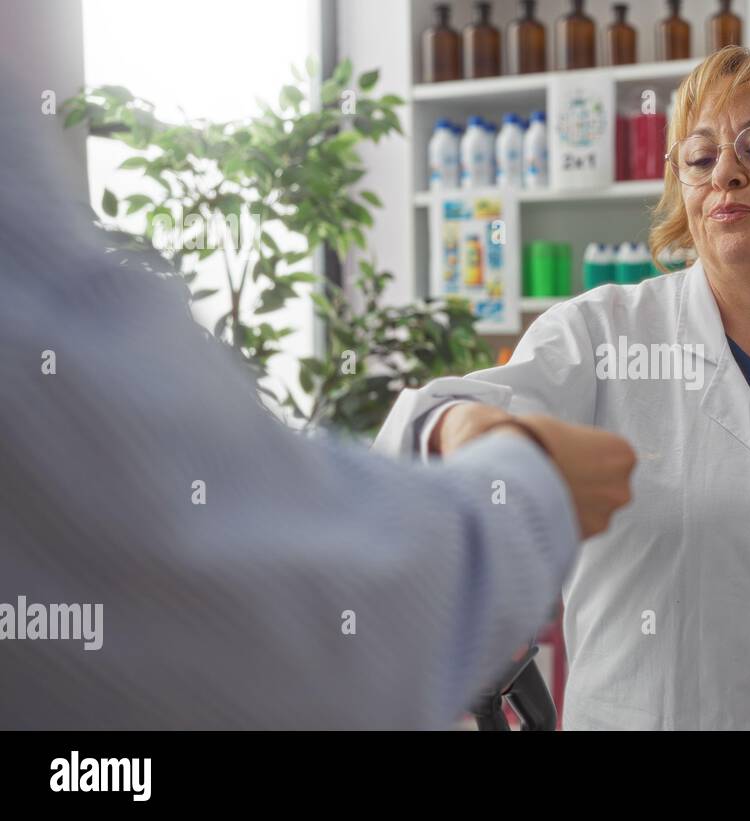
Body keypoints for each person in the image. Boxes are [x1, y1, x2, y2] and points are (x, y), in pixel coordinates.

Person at [374, 47, 750, 730]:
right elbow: (430, 422)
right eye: (698, 159)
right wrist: (483, 433)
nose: (725, 172)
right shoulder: (601, 334)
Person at [0, 72, 635, 729]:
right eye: (699, 157)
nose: (725, 175)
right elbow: (258, 595)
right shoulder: (602, 320)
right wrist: (522, 471)